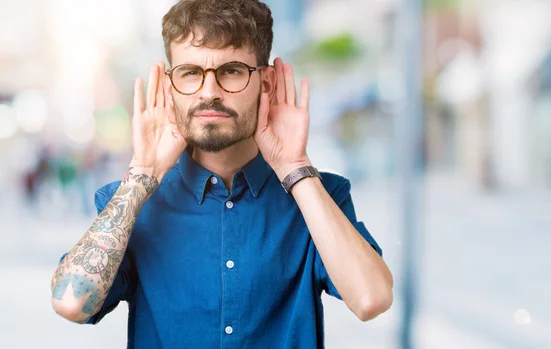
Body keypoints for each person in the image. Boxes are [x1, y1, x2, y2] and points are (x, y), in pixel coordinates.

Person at [50, 0, 393, 348]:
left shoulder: (320, 197)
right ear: (170, 88)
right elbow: (71, 302)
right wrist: (142, 174)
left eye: (231, 70)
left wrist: (294, 167)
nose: (209, 92)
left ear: (267, 82)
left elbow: (371, 299)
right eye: (190, 73)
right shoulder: (130, 203)